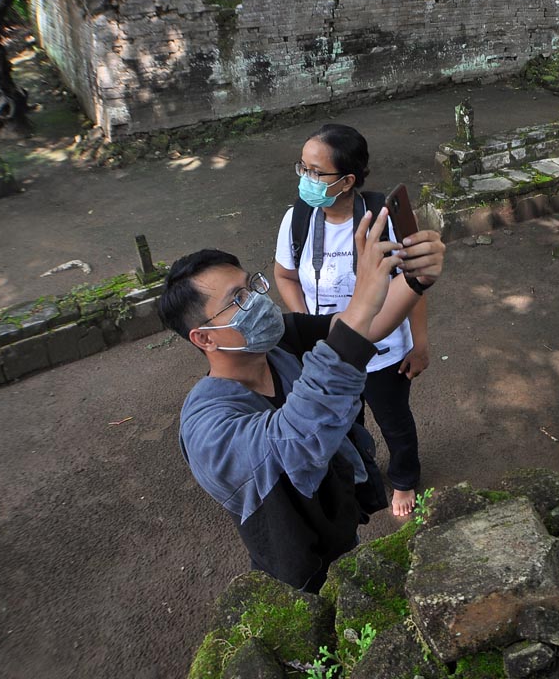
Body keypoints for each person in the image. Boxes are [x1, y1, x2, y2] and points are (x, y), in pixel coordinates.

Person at [158, 209, 445, 592]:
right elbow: (294, 441)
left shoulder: (280, 343)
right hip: (295, 566)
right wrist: (362, 301)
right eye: (237, 300)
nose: (259, 301)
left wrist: (414, 280)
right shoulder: (206, 428)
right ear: (205, 338)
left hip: (339, 517)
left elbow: (358, 327)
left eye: (251, 287)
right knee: (315, 615)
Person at [274, 124, 428, 517]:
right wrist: (310, 324)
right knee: (343, 422)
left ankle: (404, 479)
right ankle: (357, 475)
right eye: (302, 169)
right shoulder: (297, 221)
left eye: (315, 172)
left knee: (394, 422)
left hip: (382, 352)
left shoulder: (382, 221)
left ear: (346, 181)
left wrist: (420, 344)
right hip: (331, 352)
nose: (305, 180)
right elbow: (285, 275)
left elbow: (414, 286)